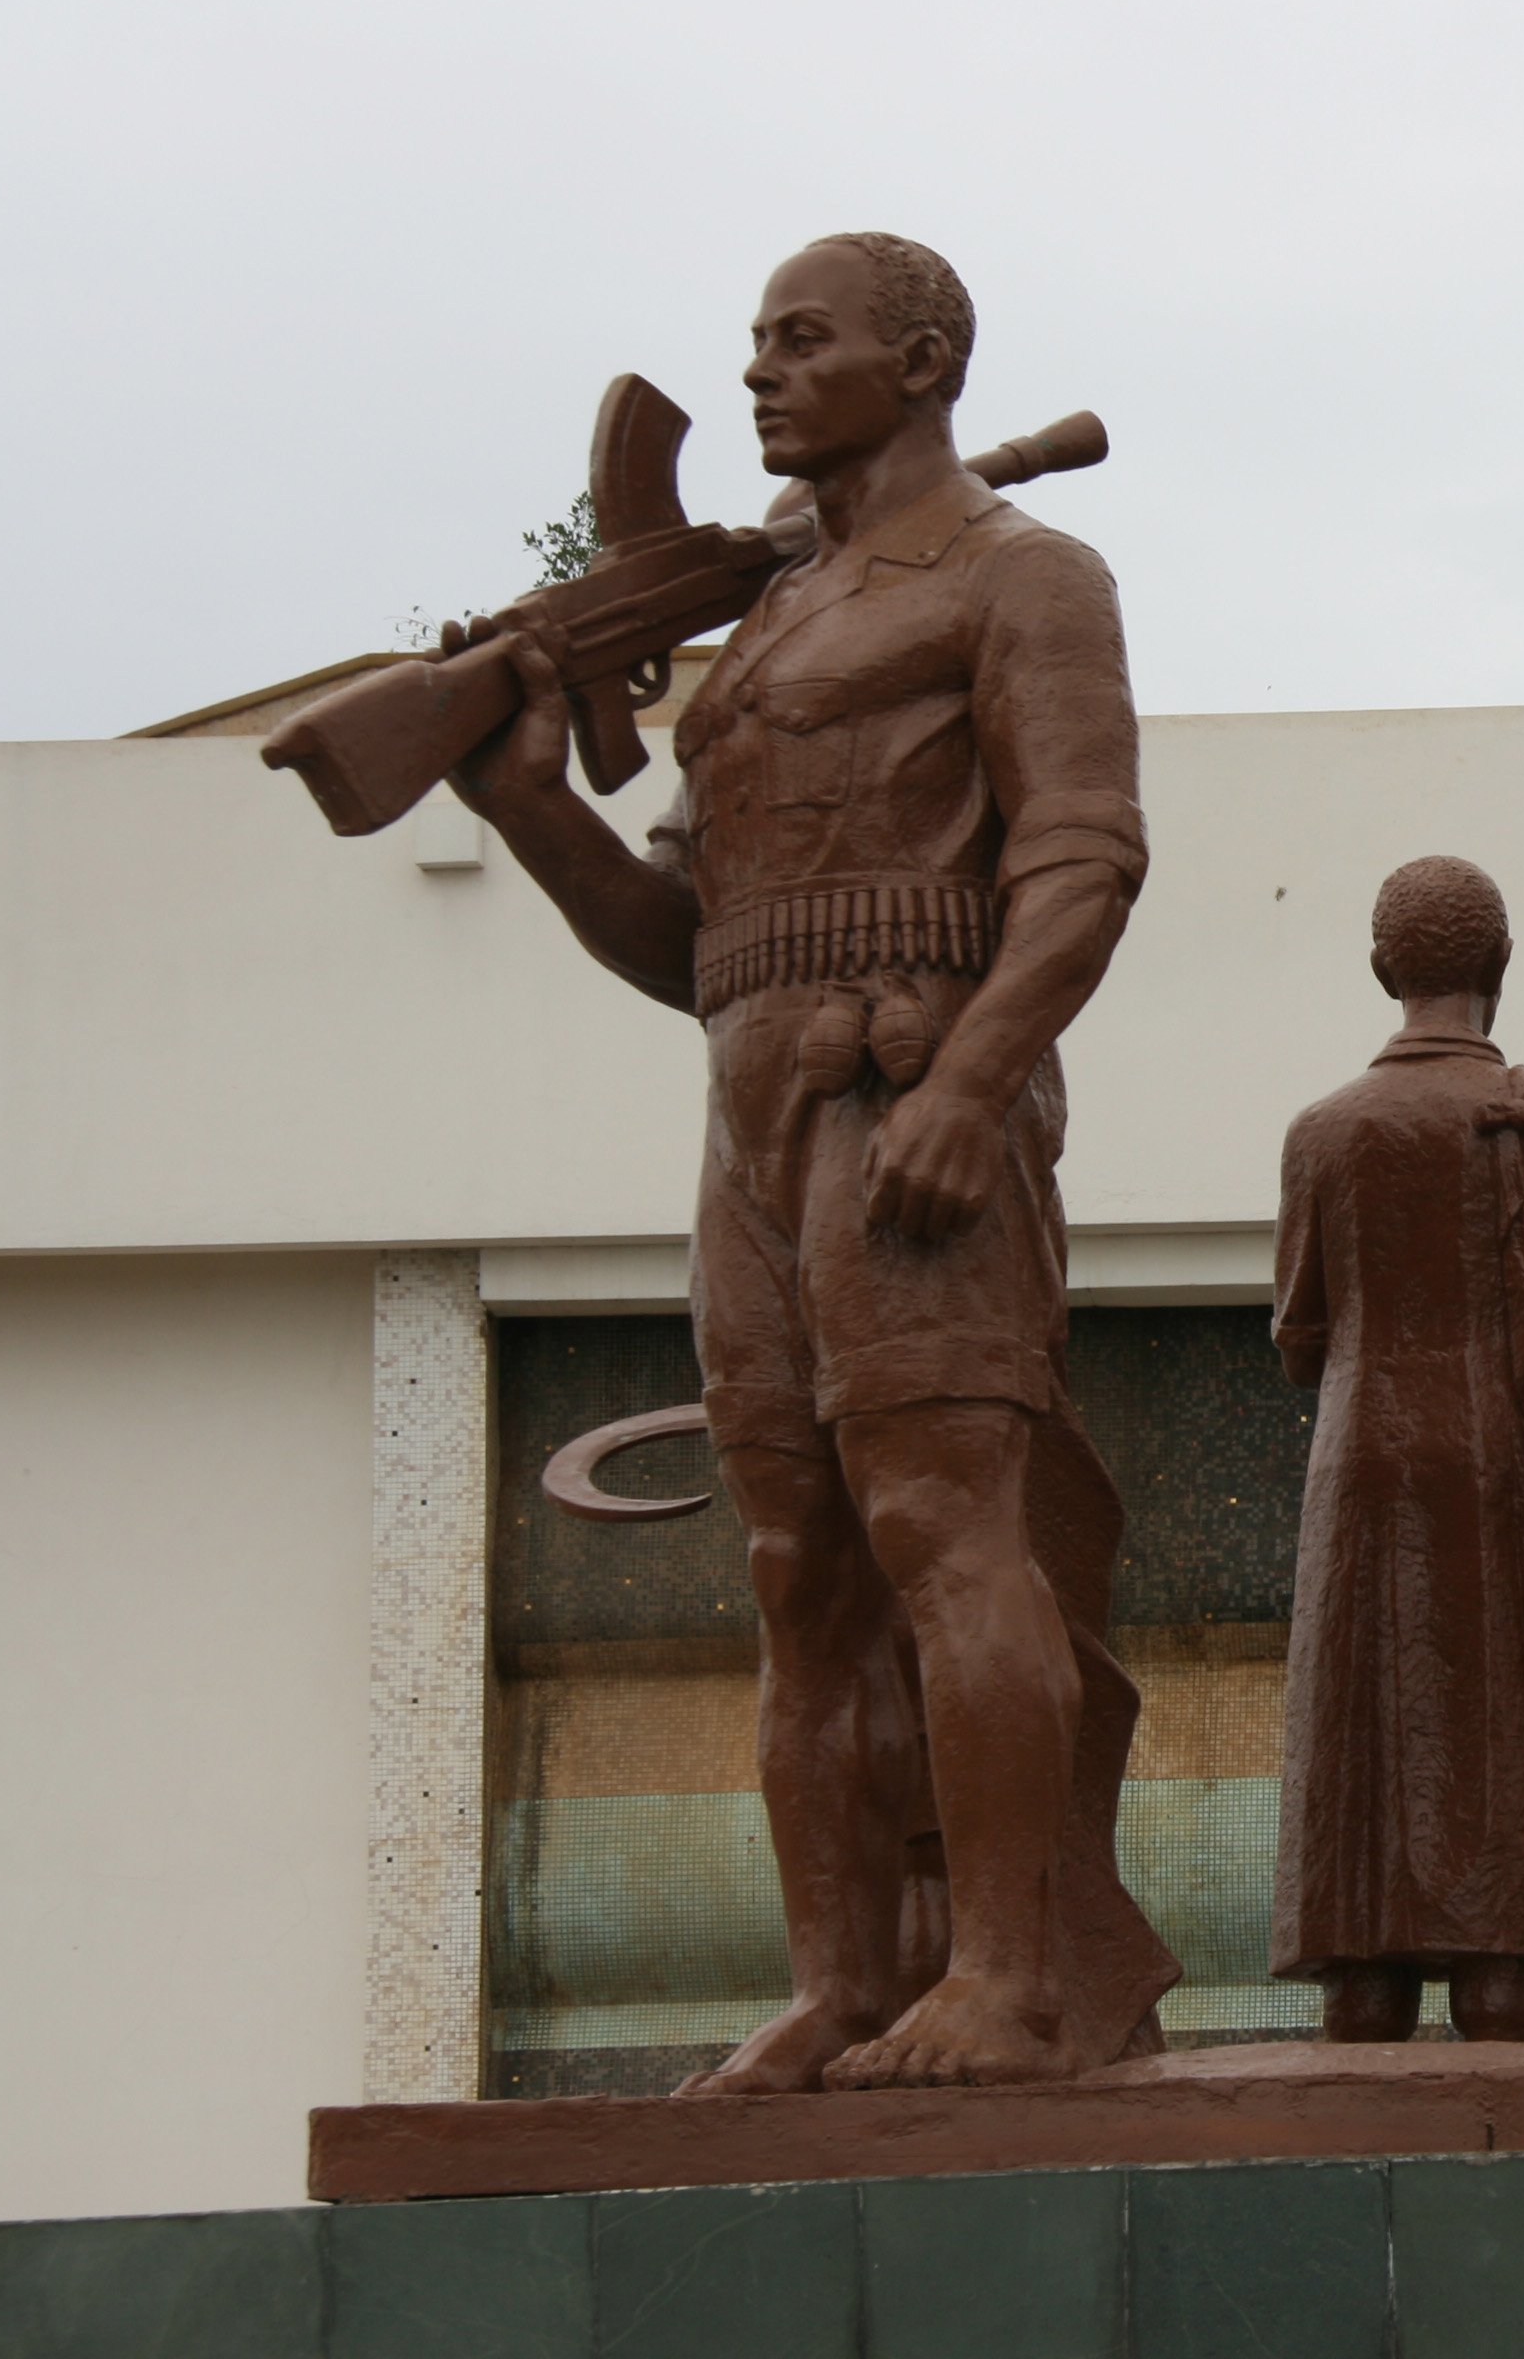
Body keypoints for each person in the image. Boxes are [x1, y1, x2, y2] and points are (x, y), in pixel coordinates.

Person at [453, 233, 1175, 2091]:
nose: (763, 376)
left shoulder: (1023, 574)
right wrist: (532, 809)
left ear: (921, 359)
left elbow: (1085, 856)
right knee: (793, 1564)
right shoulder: (766, 624)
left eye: (801, 342)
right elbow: (677, 940)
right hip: (748, 1111)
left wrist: (971, 1085)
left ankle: (1006, 1979)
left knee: (945, 1526)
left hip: (909, 1082)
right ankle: (841, 1981)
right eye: (755, 344)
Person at [1269, 857, 1524, 2043]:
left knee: (1363, 1733)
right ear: (1499, 967)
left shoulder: (1321, 1131)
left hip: (1358, 1465)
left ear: (1385, 970)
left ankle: (1361, 1986)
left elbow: (1301, 1338)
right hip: (1496, 1468)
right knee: (1495, 1739)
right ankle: (1498, 1988)